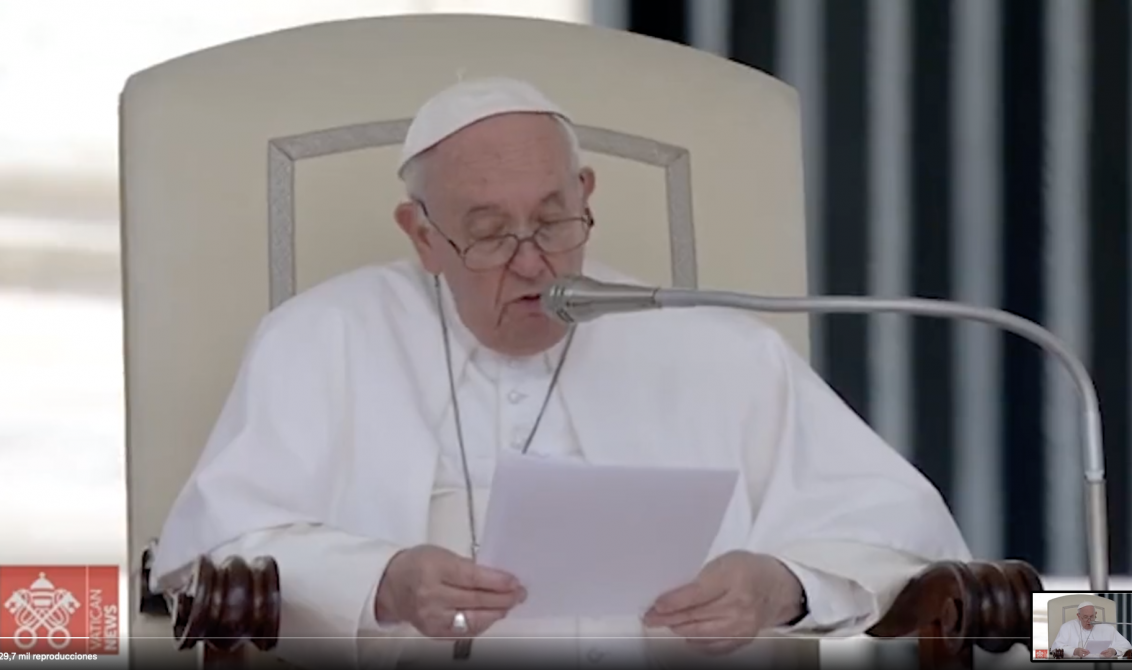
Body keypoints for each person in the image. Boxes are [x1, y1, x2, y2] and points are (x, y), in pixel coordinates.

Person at [149, 76, 972, 668]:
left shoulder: (717, 347)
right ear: (422, 234)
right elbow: (214, 557)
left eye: (553, 220)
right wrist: (383, 583)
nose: (535, 262)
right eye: (489, 232)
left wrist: (780, 585)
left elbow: (896, 527)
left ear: (586, 193)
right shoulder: (320, 340)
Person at [1052, 601, 1132, 658]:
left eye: (1092, 616)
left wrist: (1114, 651)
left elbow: (1126, 646)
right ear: (1079, 616)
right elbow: (1056, 647)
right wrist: (1074, 651)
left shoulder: (1107, 627)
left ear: (1095, 614)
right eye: (1085, 617)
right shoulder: (1067, 627)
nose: (1089, 620)